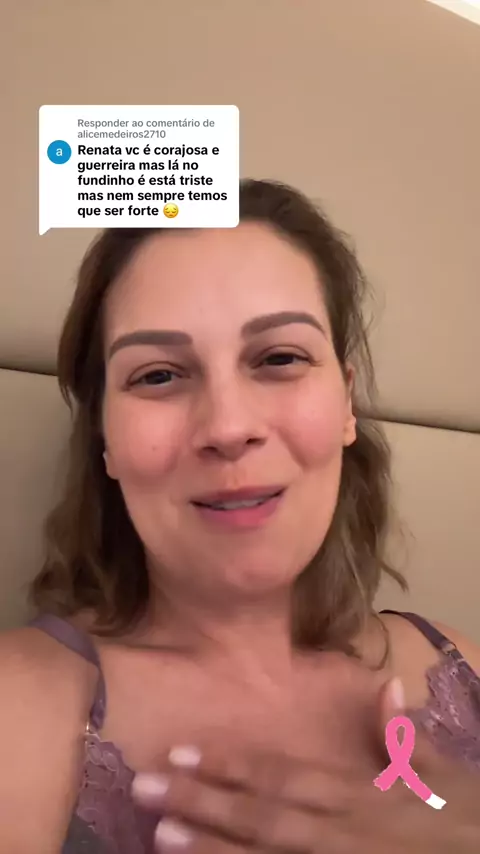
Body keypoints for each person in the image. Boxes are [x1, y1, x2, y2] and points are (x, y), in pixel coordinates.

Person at [0, 179, 479, 854]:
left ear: (346, 403)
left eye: (280, 358)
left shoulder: (462, 663)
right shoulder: (20, 708)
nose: (227, 427)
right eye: (158, 375)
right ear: (106, 437)